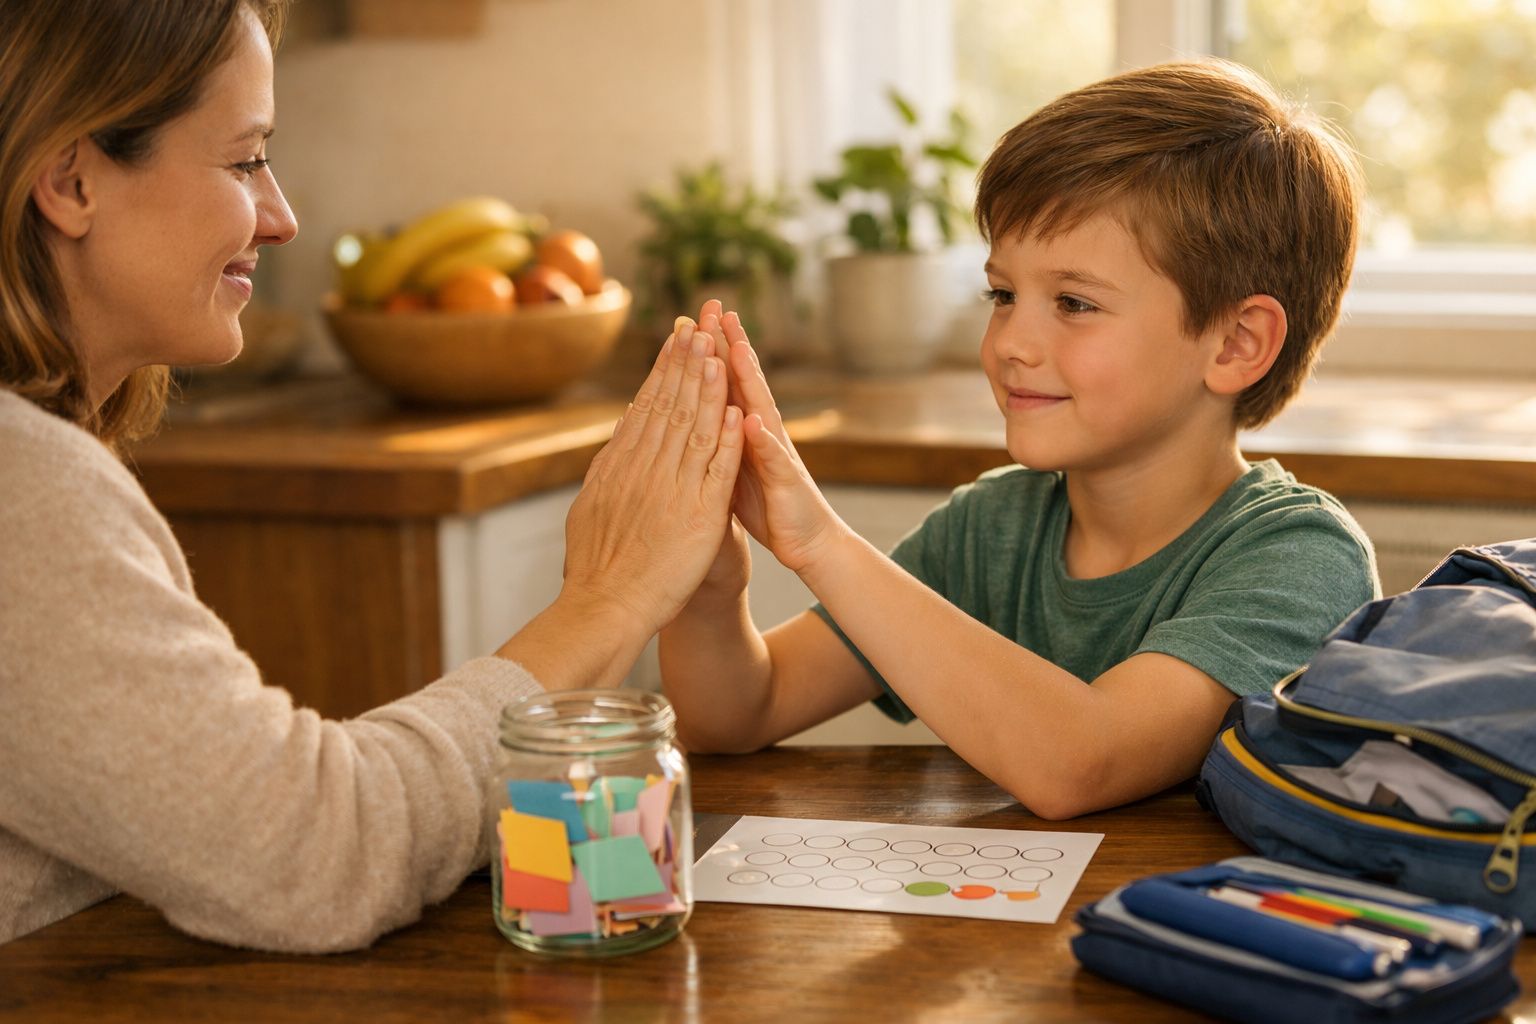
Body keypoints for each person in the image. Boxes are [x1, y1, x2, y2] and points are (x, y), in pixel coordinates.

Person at [0, 0, 743, 951]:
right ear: (70, 180)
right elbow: (315, 854)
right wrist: (605, 599)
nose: (282, 217)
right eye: (244, 159)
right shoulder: (24, 494)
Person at [661, 61, 1381, 820]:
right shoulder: (991, 530)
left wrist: (819, 542)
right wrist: (706, 587)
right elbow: (740, 712)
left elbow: (1081, 760)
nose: (1011, 342)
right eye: (1003, 294)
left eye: (1073, 302)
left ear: (1237, 343)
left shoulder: (1300, 556)